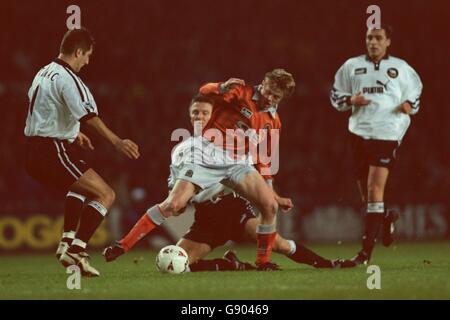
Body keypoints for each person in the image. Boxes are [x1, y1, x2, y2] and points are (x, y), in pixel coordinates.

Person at [104, 97, 338, 270]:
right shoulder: (182, 150)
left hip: (235, 211)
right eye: (194, 113)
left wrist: (273, 196)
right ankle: (231, 265)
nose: (198, 117)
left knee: (281, 246)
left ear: (214, 116)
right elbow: (174, 190)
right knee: (176, 264)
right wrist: (180, 200)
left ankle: (327, 264)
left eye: (204, 113)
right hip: (206, 219)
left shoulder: (233, 145)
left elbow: (256, 171)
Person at [24, 27, 140, 276]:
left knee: (79, 189)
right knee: (106, 194)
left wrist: (73, 133)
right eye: (87, 55)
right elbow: (89, 116)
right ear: (78, 52)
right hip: (50, 149)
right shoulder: (69, 79)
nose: (87, 61)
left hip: (33, 150)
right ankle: (76, 251)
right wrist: (117, 142)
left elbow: (44, 109)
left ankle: (66, 242)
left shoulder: (43, 73)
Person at [330, 25, 422, 266]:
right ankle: (386, 221)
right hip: (359, 133)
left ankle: (364, 255)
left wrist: (409, 105)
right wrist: (351, 100)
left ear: (388, 41)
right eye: (369, 37)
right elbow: (335, 95)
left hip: (388, 132)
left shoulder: (401, 68)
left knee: (373, 189)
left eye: (378, 38)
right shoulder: (351, 66)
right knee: (367, 196)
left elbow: (415, 91)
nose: (373, 42)